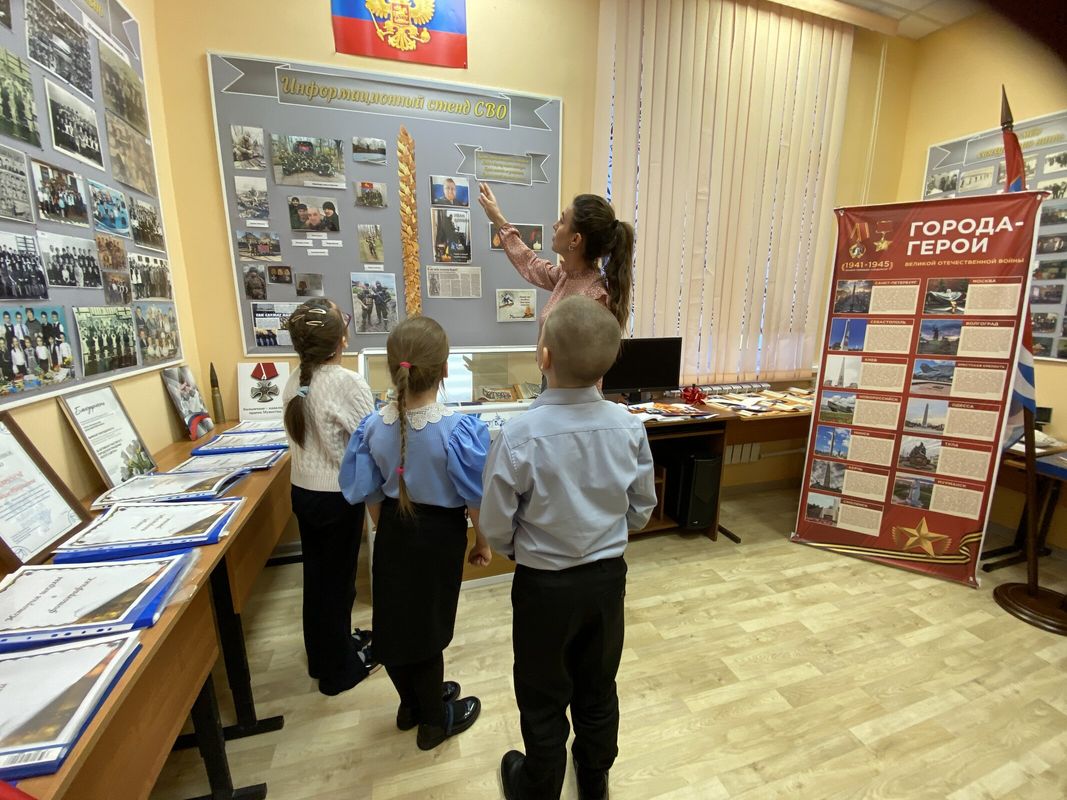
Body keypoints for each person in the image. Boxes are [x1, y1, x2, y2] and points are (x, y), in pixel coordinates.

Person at [480, 297, 657, 800]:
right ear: (608, 364)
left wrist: (521, 549)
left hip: (543, 587)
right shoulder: (629, 426)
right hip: (606, 581)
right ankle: (595, 778)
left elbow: (495, 525)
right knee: (598, 684)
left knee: (541, 692)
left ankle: (539, 785)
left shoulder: (517, 435)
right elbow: (641, 506)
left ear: (544, 357)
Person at [339, 315, 490, 751]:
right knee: (428, 631)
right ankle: (434, 722)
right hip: (439, 538)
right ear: (445, 370)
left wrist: (386, 531)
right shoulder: (457, 429)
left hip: (393, 531)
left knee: (394, 625)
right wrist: (482, 542)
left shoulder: (372, 427)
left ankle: (411, 704)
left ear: (393, 369)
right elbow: (475, 498)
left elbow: (369, 493)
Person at [281, 298, 378, 697]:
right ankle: (339, 672)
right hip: (336, 497)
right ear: (342, 339)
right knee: (338, 584)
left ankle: (324, 655)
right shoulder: (346, 382)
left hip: (304, 492)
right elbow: (372, 439)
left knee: (318, 579)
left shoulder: (295, 380)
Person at [478, 183, 634, 332]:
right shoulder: (565, 276)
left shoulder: (594, 298)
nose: (555, 225)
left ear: (575, 240)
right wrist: (497, 218)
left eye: (562, 221)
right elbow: (530, 264)